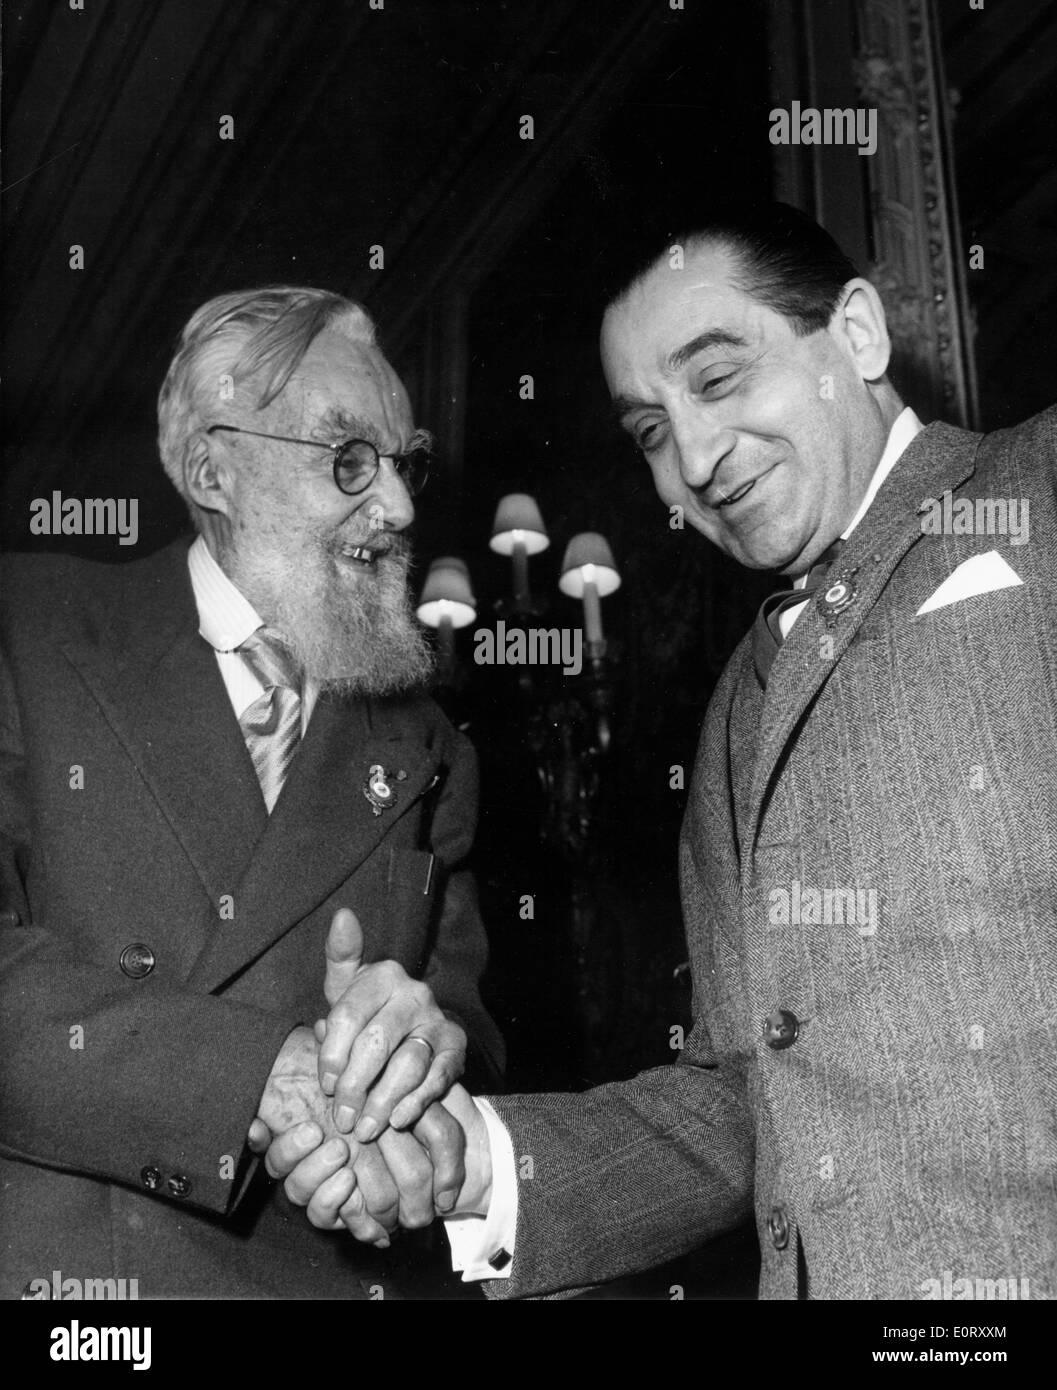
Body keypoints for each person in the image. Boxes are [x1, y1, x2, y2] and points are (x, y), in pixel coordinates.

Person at [267, 203, 1057, 1299]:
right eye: (648, 430)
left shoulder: (1039, 484)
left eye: (720, 379)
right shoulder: (740, 701)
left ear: (861, 337)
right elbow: (745, 1101)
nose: (692, 455)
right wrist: (472, 1162)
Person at [0, 286, 505, 1300]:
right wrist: (250, 1074)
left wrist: (420, 1074)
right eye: (347, 457)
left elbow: (472, 1037)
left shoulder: (423, 740)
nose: (400, 508)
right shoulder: (28, 626)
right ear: (212, 469)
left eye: (404, 462)